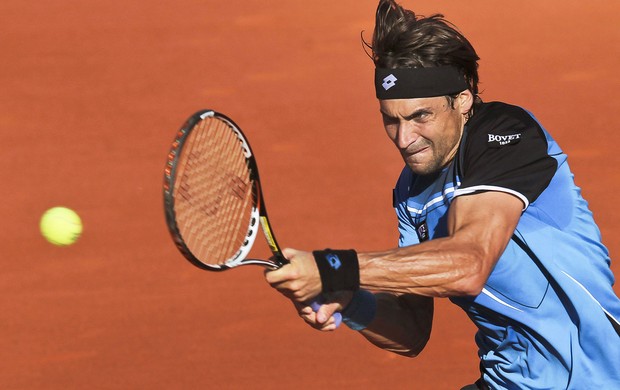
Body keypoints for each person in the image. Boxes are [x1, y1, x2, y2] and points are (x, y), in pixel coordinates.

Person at [264, 0, 620, 388]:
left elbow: (468, 264)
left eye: (421, 116)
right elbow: (410, 331)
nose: (404, 139)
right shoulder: (410, 191)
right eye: (390, 120)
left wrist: (334, 268)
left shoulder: (505, 135)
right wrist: (348, 299)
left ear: (463, 100)